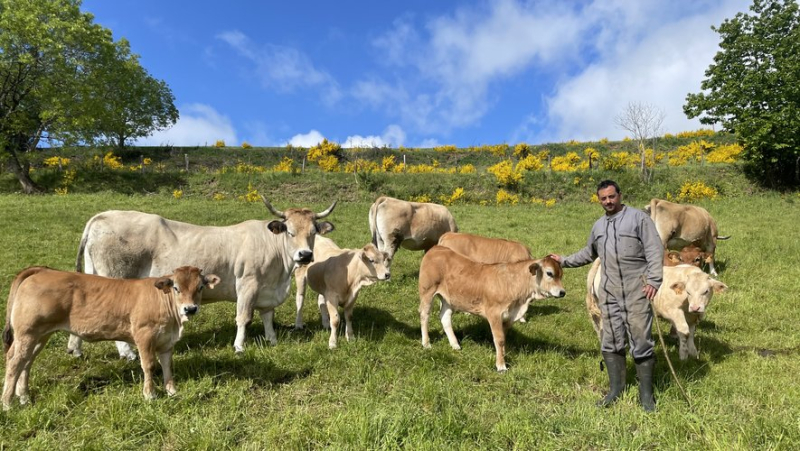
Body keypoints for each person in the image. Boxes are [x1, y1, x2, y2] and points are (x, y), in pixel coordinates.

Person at [549, 180, 663, 411]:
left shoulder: (639, 219)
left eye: (612, 196)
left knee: (641, 339)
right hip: (609, 293)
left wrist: (653, 280)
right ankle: (615, 390)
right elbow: (589, 253)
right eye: (603, 198)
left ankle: (646, 397)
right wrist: (563, 260)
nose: (608, 201)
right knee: (611, 340)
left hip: (636, 289)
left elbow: (654, 249)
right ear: (598, 200)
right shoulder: (598, 226)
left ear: (620, 195)